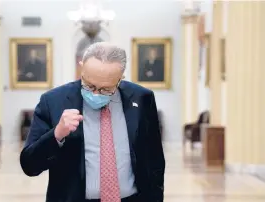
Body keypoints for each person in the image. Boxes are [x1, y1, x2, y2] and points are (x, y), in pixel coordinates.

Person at [20, 42, 165, 202]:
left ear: (120, 78)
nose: (95, 94)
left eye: (106, 89)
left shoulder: (142, 98)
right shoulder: (53, 101)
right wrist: (56, 135)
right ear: (82, 67)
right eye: (89, 85)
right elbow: (29, 165)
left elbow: (155, 160)